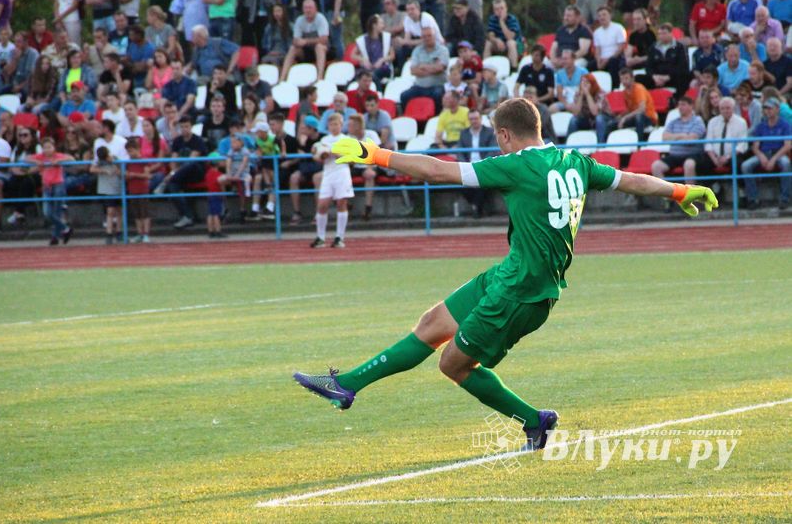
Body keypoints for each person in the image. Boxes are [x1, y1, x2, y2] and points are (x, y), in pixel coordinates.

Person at [293, 98, 718, 447]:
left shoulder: (515, 165)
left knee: (452, 364)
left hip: (522, 291)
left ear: (503, 135)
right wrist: (680, 190)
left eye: (498, 140)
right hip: (511, 274)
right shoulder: (576, 162)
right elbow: (634, 181)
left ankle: (533, 419)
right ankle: (345, 385)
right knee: (433, 322)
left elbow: (438, 170)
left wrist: (377, 154)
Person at [308, 113, 352, 248]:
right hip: (328, 173)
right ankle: (320, 237)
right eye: (331, 124)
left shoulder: (347, 139)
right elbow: (317, 157)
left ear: (341, 125)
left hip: (342, 172)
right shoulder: (324, 140)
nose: (334, 127)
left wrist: (335, 153)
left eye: (336, 124)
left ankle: (340, 237)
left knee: (341, 203)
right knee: (322, 204)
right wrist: (318, 154)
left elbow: (351, 159)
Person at [742, 97, 791, 209]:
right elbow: (755, 146)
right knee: (745, 166)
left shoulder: (785, 125)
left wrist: (773, 159)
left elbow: (787, 145)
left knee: (786, 164)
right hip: (764, 153)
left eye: (770, 108)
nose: (768, 111)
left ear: (777, 109)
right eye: (766, 108)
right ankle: (753, 199)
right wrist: (762, 157)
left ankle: (785, 198)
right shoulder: (761, 125)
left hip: (779, 154)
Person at [159, 117, 208, 229]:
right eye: (182, 127)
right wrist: (173, 172)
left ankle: (166, 182)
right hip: (180, 174)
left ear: (191, 127)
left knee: (190, 164)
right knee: (172, 186)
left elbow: (191, 159)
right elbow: (173, 160)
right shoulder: (177, 141)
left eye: (187, 126)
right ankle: (187, 215)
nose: (184, 129)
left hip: (196, 172)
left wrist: (172, 174)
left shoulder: (197, 140)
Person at [26, 136, 73, 245]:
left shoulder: (58, 155)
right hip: (47, 186)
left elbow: (71, 158)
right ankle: (65, 229)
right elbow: (26, 158)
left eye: (49, 147)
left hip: (58, 185)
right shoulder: (41, 157)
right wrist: (36, 162)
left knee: (56, 211)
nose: (47, 150)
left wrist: (58, 161)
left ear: (54, 147)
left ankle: (55, 237)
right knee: (47, 212)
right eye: (44, 147)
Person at [652, 96, 708, 186]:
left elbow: (692, 138)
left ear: (691, 106)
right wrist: (682, 135)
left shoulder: (698, 121)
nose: (680, 107)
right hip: (674, 155)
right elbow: (665, 137)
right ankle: (667, 197)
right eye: (679, 105)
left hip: (693, 155)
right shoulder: (673, 122)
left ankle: (691, 196)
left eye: (683, 105)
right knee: (656, 166)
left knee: (689, 164)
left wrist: (674, 137)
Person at [699, 96, 749, 188]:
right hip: (715, 155)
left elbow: (742, 145)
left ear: (733, 109)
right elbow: (708, 142)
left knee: (738, 164)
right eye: (722, 108)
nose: (725, 111)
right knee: (702, 163)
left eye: (728, 108)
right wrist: (714, 158)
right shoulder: (713, 122)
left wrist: (727, 157)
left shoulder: (741, 122)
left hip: (733, 155)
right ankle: (713, 188)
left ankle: (741, 192)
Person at [456, 109, 496, 218]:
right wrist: (465, 164)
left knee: (483, 183)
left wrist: (482, 164)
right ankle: (478, 206)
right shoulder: (463, 133)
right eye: (471, 119)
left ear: (481, 119)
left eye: (476, 118)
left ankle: (476, 207)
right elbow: (459, 151)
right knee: (458, 183)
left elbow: (493, 150)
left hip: (484, 165)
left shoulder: (490, 132)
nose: (474, 121)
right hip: (468, 166)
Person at [400, 27, 449, 113]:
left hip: (437, 85)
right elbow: (413, 71)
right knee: (404, 96)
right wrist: (432, 68)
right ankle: (410, 119)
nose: (427, 38)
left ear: (434, 36)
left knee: (438, 95)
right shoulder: (417, 51)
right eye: (424, 36)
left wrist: (423, 66)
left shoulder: (442, 50)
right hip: (419, 86)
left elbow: (440, 68)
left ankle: (435, 119)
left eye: (429, 36)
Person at [281, 0, 329, 82]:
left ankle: (319, 78)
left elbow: (324, 39)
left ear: (315, 9)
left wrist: (306, 41)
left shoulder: (321, 19)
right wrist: (297, 42)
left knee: (319, 47)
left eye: (310, 8)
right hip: (306, 52)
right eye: (306, 8)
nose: (308, 10)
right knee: (293, 48)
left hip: (322, 51)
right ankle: (282, 78)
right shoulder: (299, 20)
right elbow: (295, 40)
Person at [123, 137, 152, 243]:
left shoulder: (143, 161)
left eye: (131, 151)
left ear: (137, 149)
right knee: (137, 213)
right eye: (128, 151)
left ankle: (146, 233)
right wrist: (128, 176)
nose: (130, 153)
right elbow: (125, 176)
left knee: (145, 212)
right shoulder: (127, 162)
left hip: (142, 189)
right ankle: (139, 233)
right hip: (132, 190)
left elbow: (147, 175)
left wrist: (134, 175)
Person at [352, 15, 393, 88]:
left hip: (383, 67)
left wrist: (382, 60)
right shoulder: (363, 40)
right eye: (381, 23)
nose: (383, 26)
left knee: (372, 76)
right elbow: (353, 55)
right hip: (368, 68)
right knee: (356, 77)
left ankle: (378, 92)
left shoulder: (386, 38)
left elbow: (392, 55)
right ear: (374, 25)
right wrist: (363, 59)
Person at [566, 73, 608, 142]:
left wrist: (588, 94)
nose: (584, 85)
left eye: (587, 82)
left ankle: (601, 146)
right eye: (582, 82)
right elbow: (576, 113)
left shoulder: (601, 93)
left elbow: (595, 112)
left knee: (599, 119)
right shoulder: (578, 94)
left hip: (599, 120)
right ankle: (567, 146)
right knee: (573, 120)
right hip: (585, 120)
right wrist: (581, 95)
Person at [484, 0, 523, 70]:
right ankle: (485, 68)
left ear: (506, 9)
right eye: (497, 9)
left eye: (502, 8)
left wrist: (502, 22)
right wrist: (496, 40)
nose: (499, 11)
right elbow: (490, 35)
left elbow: (510, 37)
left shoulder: (512, 19)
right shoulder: (492, 19)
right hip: (500, 44)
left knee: (510, 43)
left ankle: (513, 69)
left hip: (517, 45)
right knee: (488, 43)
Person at [592, 6, 626, 88]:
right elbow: (598, 49)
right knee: (589, 66)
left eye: (604, 15)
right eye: (599, 16)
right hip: (602, 58)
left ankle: (615, 88)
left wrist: (608, 59)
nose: (602, 17)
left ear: (610, 15)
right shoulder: (597, 32)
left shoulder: (618, 28)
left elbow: (621, 47)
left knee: (613, 62)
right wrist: (598, 61)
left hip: (615, 57)